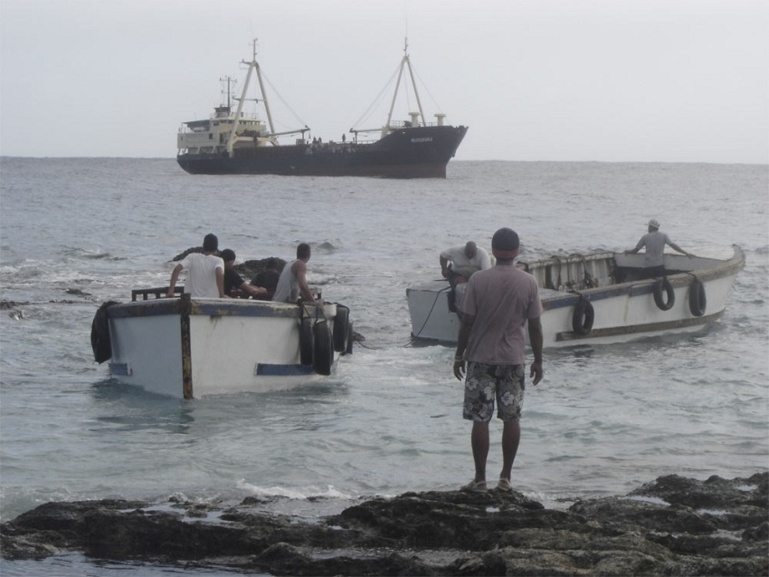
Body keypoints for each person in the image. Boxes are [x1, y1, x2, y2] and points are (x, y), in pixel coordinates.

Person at [453, 227, 544, 492]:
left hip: (480, 359)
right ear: (517, 252)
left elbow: (467, 322)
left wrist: (459, 355)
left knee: (480, 419)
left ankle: (480, 479)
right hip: (513, 360)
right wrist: (538, 360)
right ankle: (505, 478)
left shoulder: (478, 281)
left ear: (492, 252)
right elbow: (535, 326)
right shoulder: (528, 282)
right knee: (511, 418)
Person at [624, 219, 693, 279]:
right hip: (659, 267)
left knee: (640, 281)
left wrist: (627, 251)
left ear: (651, 227)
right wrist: (686, 253)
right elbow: (673, 246)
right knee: (663, 283)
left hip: (648, 267)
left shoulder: (645, 237)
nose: (648, 228)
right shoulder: (664, 236)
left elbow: (635, 251)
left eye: (648, 226)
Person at [166, 233, 225, 298]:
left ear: (203, 246)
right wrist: (222, 295)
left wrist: (171, 291)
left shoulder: (192, 257)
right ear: (216, 249)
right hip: (211, 300)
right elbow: (219, 273)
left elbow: (177, 269)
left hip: (191, 299)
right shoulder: (218, 260)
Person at [440, 241, 492, 313]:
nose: (469, 255)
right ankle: (460, 307)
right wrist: (444, 269)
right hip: (458, 273)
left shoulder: (483, 254)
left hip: (475, 275)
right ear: (464, 249)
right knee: (461, 285)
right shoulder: (456, 250)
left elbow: (486, 274)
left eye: (472, 254)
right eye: (468, 253)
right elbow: (443, 255)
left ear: (476, 250)